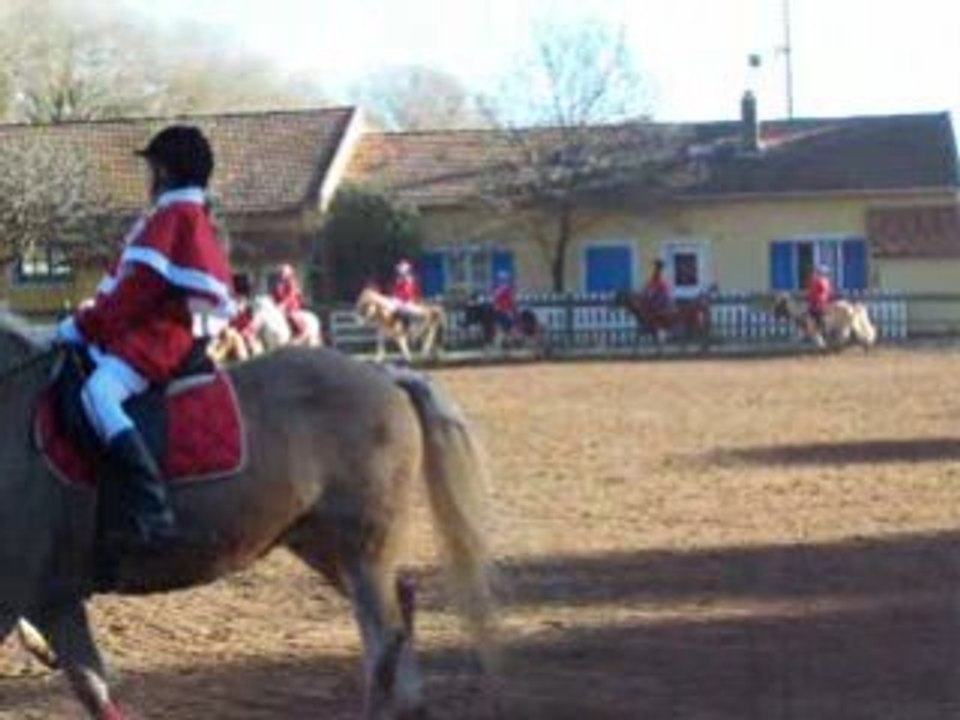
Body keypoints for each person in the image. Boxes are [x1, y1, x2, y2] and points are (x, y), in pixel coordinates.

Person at [56, 124, 235, 553]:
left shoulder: (174, 218)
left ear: (166, 174)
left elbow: (139, 291)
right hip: (146, 330)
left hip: (157, 338)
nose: (147, 180)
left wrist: (83, 327)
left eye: (151, 170)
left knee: (98, 394)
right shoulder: (177, 216)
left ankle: (152, 504)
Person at [271, 263, 306, 337]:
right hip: (278, 306)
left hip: (291, 305)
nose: (281, 273)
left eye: (283, 272)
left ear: (289, 273)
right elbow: (273, 295)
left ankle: (301, 333)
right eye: (281, 272)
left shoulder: (292, 282)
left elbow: (291, 295)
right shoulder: (277, 283)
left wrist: (283, 304)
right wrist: (273, 303)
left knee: (291, 316)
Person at [806, 263, 833, 333]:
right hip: (825, 301)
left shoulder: (817, 281)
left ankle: (813, 331)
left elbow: (813, 292)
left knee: (811, 316)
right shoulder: (827, 281)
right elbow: (829, 292)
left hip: (818, 302)